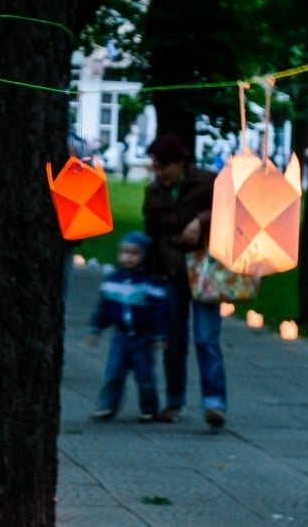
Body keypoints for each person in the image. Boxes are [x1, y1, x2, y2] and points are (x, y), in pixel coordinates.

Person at [142, 133, 226, 428]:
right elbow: (151, 232)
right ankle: (175, 399)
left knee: (206, 338)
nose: (160, 172)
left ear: (180, 163)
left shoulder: (206, 182)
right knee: (173, 340)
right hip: (171, 270)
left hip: (204, 269)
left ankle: (214, 401)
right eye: (156, 166)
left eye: (164, 166)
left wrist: (200, 222)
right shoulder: (154, 194)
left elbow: (229, 210)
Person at [86, 231, 168, 422]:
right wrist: (96, 328)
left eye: (134, 253)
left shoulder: (150, 283)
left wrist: (160, 335)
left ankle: (149, 408)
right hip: (121, 336)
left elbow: (160, 312)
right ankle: (107, 405)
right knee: (114, 372)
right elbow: (104, 308)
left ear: (144, 256)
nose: (127, 258)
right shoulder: (113, 281)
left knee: (145, 376)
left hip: (143, 337)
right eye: (124, 252)